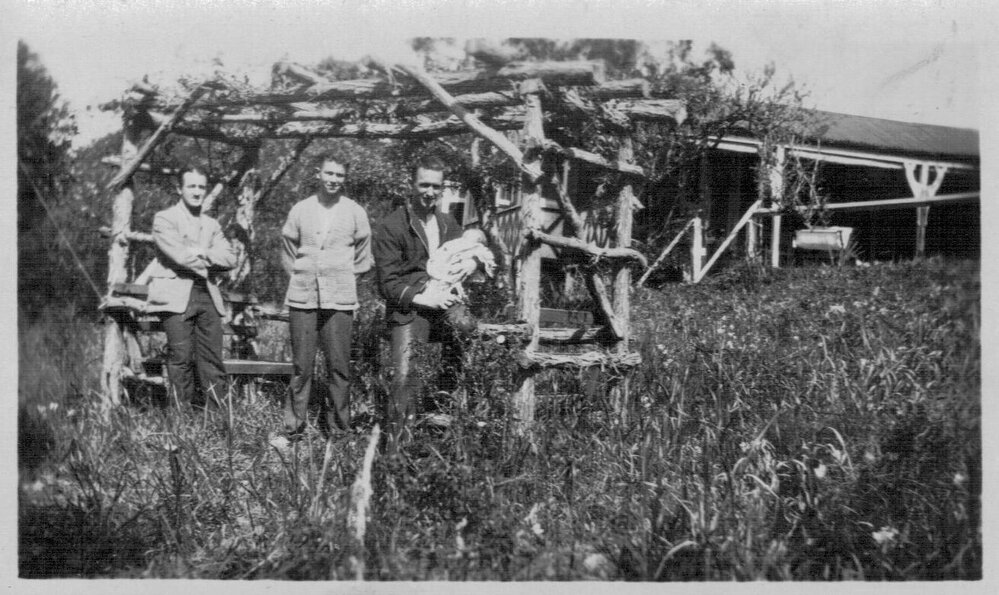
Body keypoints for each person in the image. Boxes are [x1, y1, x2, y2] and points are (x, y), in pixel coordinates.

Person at [373, 156, 470, 450]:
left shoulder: (448, 223)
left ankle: (443, 414)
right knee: (404, 378)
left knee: (467, 328)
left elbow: (460, 260)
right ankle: (395, 454)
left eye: (436, 186)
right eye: (424, 184)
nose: (429, 191)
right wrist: (424, 297)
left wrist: (459, 286)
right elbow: (387, 284)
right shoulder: (392, 225)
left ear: (442, 189)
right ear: (411, 185)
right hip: (409, 308)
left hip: (443, 304)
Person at [277, 152, 373, 442]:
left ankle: (340, 432)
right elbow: (287, 249)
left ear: (345, 179)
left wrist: (340, 276)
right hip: (302, 297)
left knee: (339, 367)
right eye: (329, 174)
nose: (333, 180)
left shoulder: (355, 212)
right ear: (318, 173)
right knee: (301, 367)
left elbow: (363, 256)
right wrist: (303, 274)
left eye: (339, 176)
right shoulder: (300, 210)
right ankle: (293, 430)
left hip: (340, 300)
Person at [146, 166, 238, 410]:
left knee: (212, 360)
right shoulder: (164, 219)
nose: (197, 192)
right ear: (179, 189)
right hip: (176, 297)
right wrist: (210, 260)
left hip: (207, 295)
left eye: (201, 187)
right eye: (191, 186)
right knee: (181, 358)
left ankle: (218, 420)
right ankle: (181, 423)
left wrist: (202, 252)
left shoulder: (211, 224)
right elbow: (179, 256)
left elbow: (230, 258)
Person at [424, 228, 496, 333]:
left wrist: (475, 263)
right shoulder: (452, 244)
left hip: (455, 289)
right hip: (431, 283)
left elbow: (492, 257)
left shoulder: (450, 227)